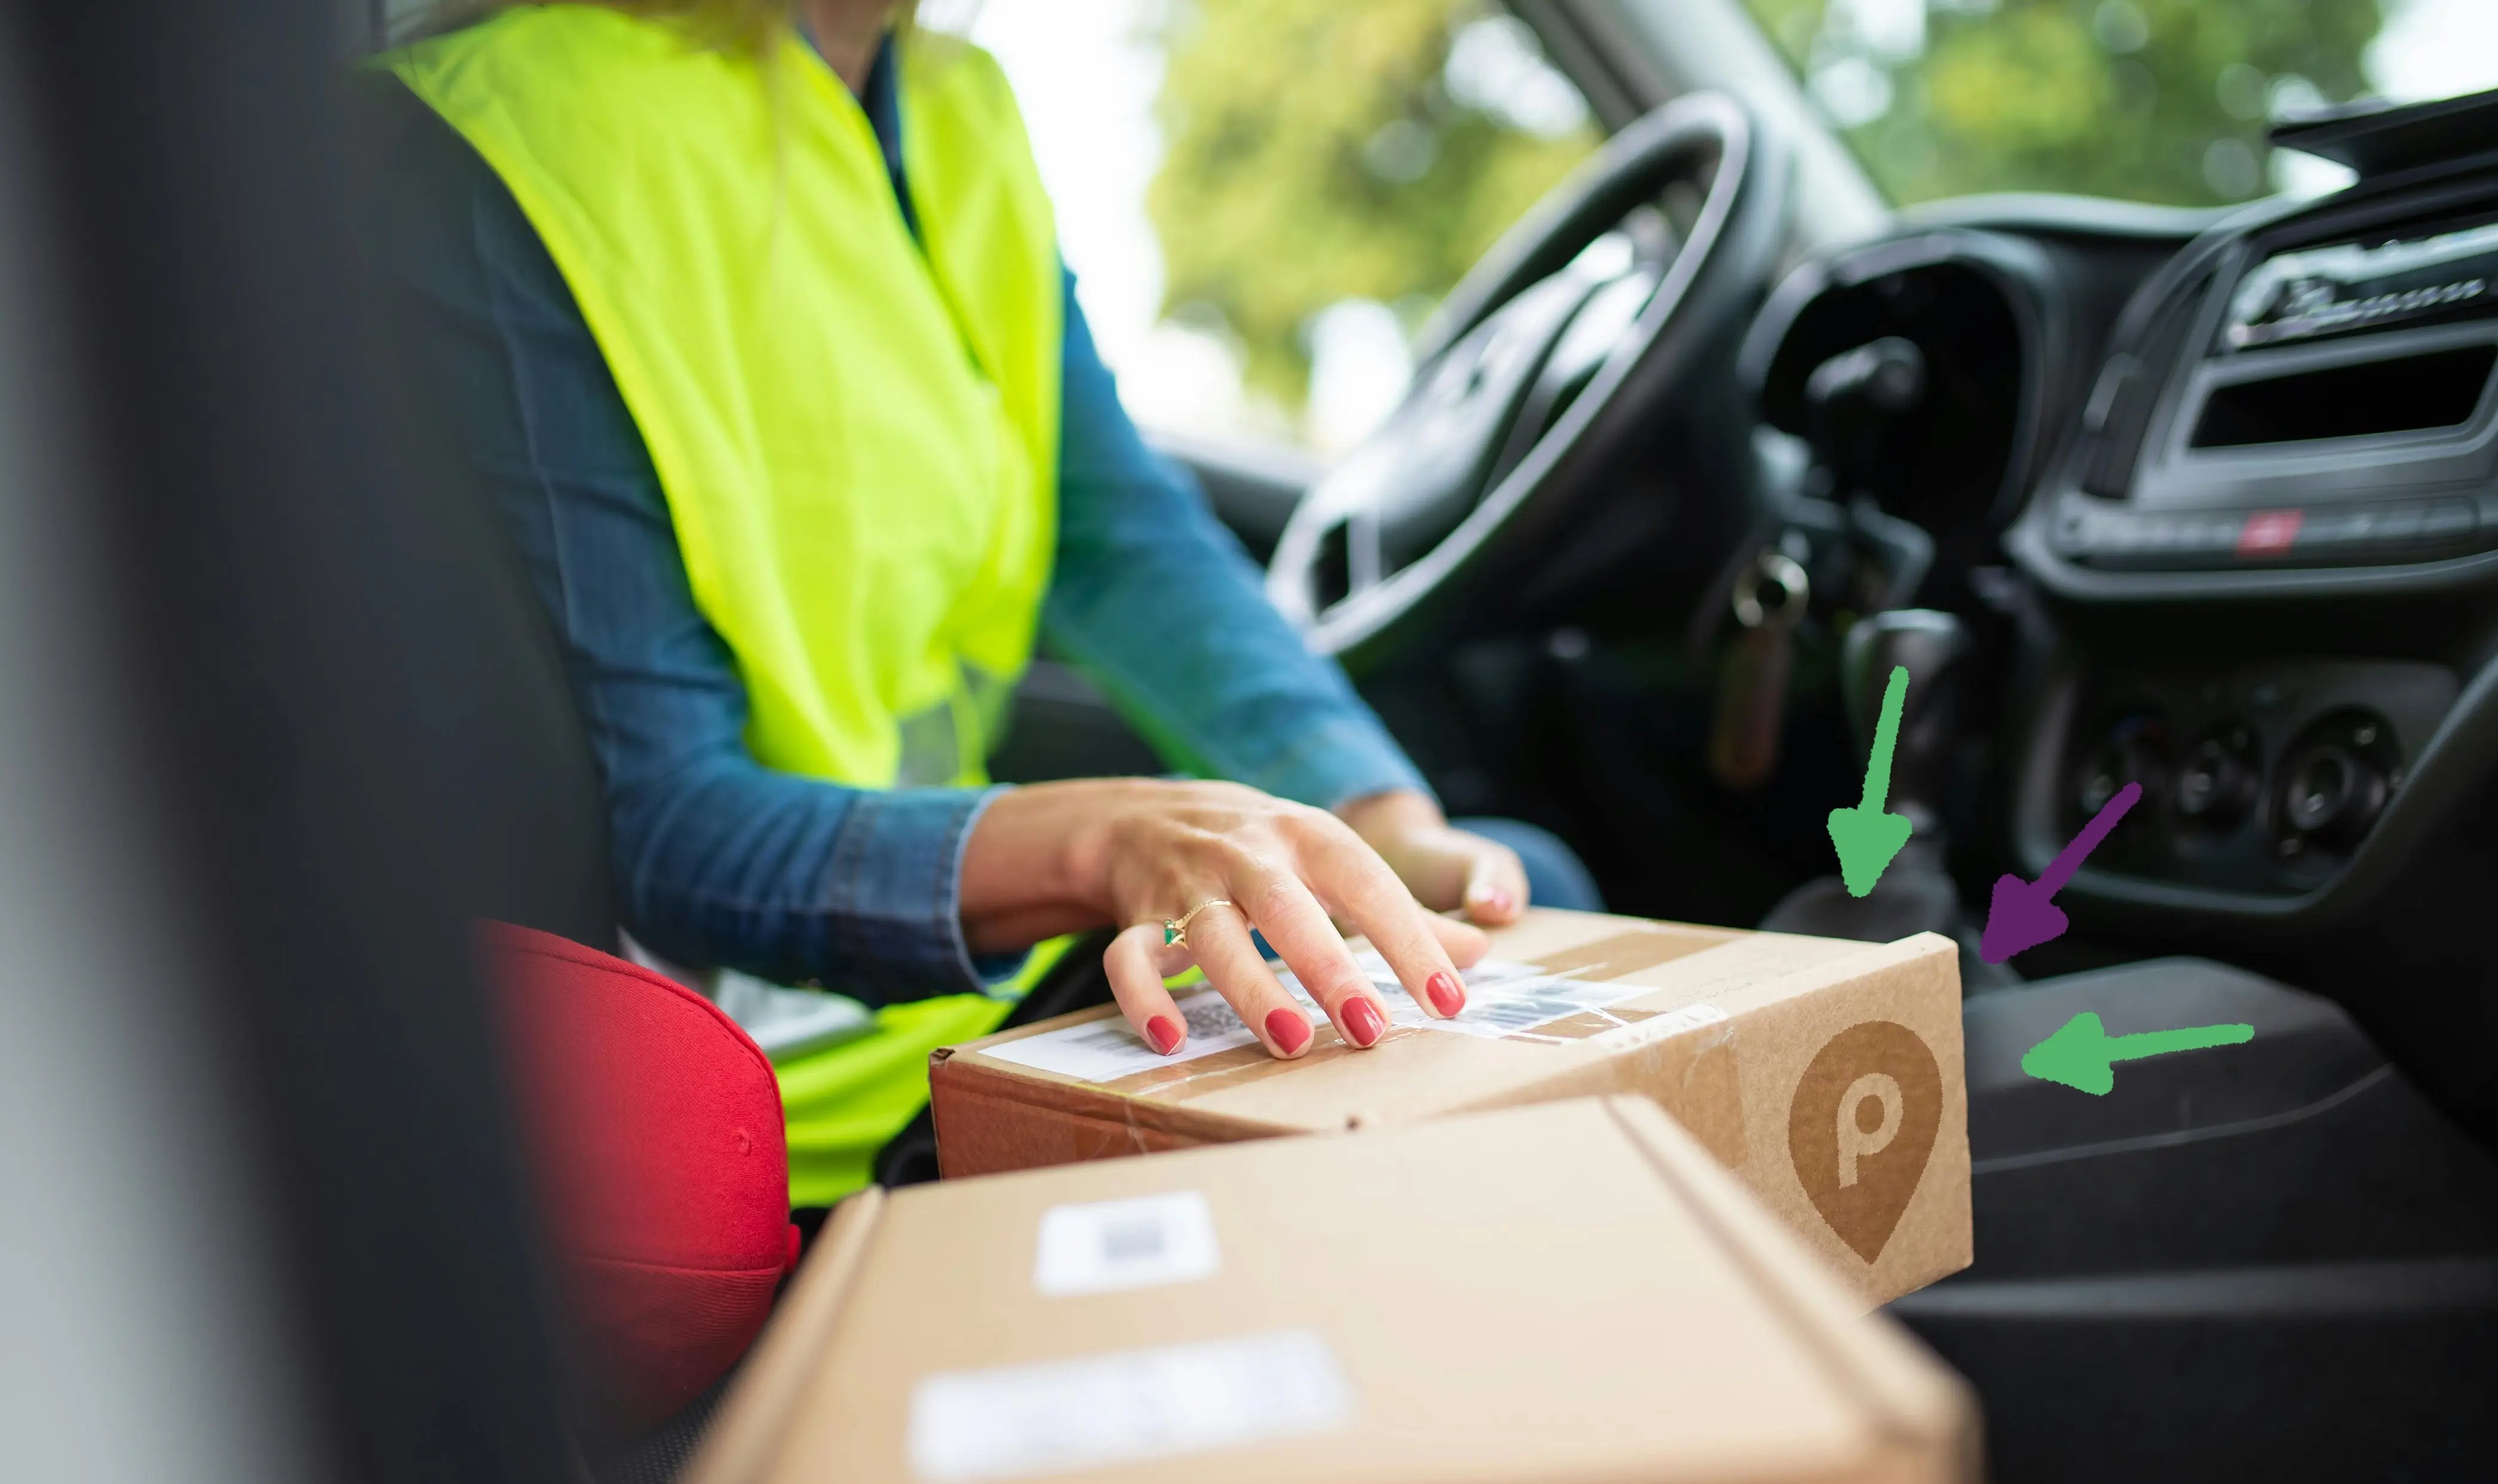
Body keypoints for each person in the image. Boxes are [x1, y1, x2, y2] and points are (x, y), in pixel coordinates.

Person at [366, 0, 1599, 1206]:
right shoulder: (529, 137)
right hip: (780, 1089)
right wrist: (1106, 843)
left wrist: (1374, 817)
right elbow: (671, 828)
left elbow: (1117, 533)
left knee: (1502, 893)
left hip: (970, 994)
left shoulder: (954, 110)